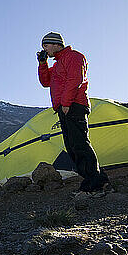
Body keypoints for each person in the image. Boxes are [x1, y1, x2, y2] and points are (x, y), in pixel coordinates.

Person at [37, 31, 110, 194]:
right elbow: (46, 82)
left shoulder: (74, 57)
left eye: (46, 46)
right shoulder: (57, 64)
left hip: (74, 105)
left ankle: (94, 183)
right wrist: (43, 63)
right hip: (64, 107)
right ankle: (97, 178)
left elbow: (75, 80)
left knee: (80, 144)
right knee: (72, 146)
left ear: (56, 44)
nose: (45, 49)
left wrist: (66, 103)